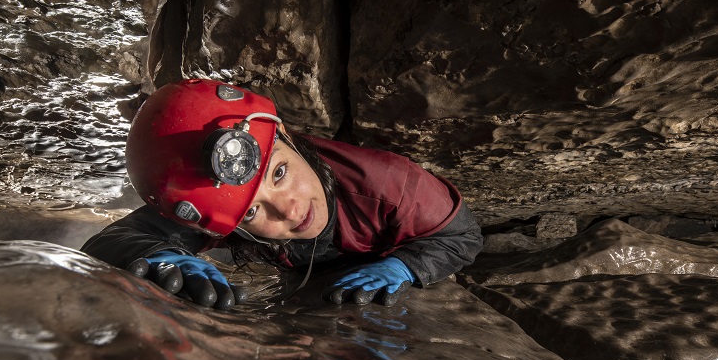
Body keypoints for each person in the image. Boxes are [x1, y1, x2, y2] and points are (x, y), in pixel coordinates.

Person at [81, 78, 482, 310]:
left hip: (384, 251)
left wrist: (406, 266)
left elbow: (463, 236)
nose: (289, 210)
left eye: (281, 172)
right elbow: (115, 238)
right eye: (252, 214)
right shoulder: (219, 206)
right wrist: (157, 255)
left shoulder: (391, 185)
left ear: (285, 133)